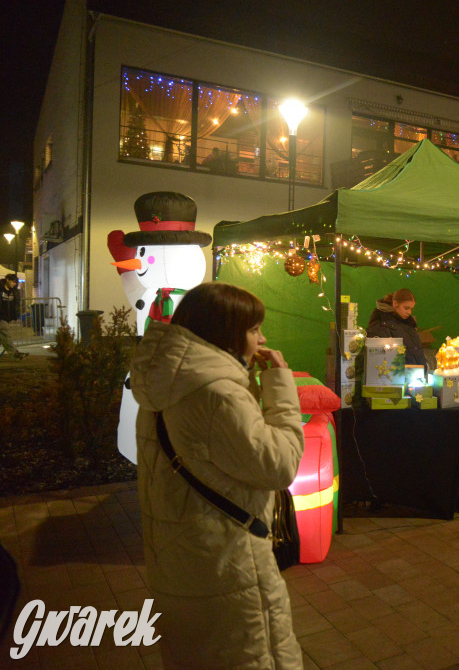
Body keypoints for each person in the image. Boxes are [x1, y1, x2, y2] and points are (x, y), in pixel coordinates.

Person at [130, 282, 305, 668]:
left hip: (183, 556)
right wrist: (279, 385)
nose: (262, 338)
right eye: (254, 329)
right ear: (226, 334)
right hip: (229, 560)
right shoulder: (219, 394)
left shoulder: (167, 383)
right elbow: (280, 464)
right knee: (251, 653)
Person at [367, 288, 427, 368]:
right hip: (396, 377)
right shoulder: (381, 324)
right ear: (395, 304)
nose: (409, 312)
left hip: (414, 376)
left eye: (411, 309)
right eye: (406, 308)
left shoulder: (408, 323)